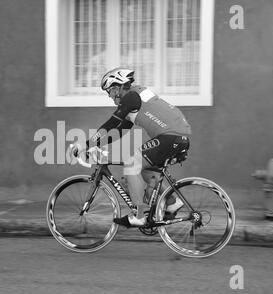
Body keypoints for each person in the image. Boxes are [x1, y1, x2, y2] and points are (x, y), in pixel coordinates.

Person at [71, 67, 191, 228]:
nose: (110, 95)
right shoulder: (134, 100)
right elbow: (118, 132)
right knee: (144, 170)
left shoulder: (131, 97)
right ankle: (172, 202)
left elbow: (111, 124)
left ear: (119, 86)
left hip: (170, 137)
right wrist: (96, 145)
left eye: (110, 90)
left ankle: (139, 215)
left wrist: (86, 144)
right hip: (176, 137)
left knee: (132, 163)